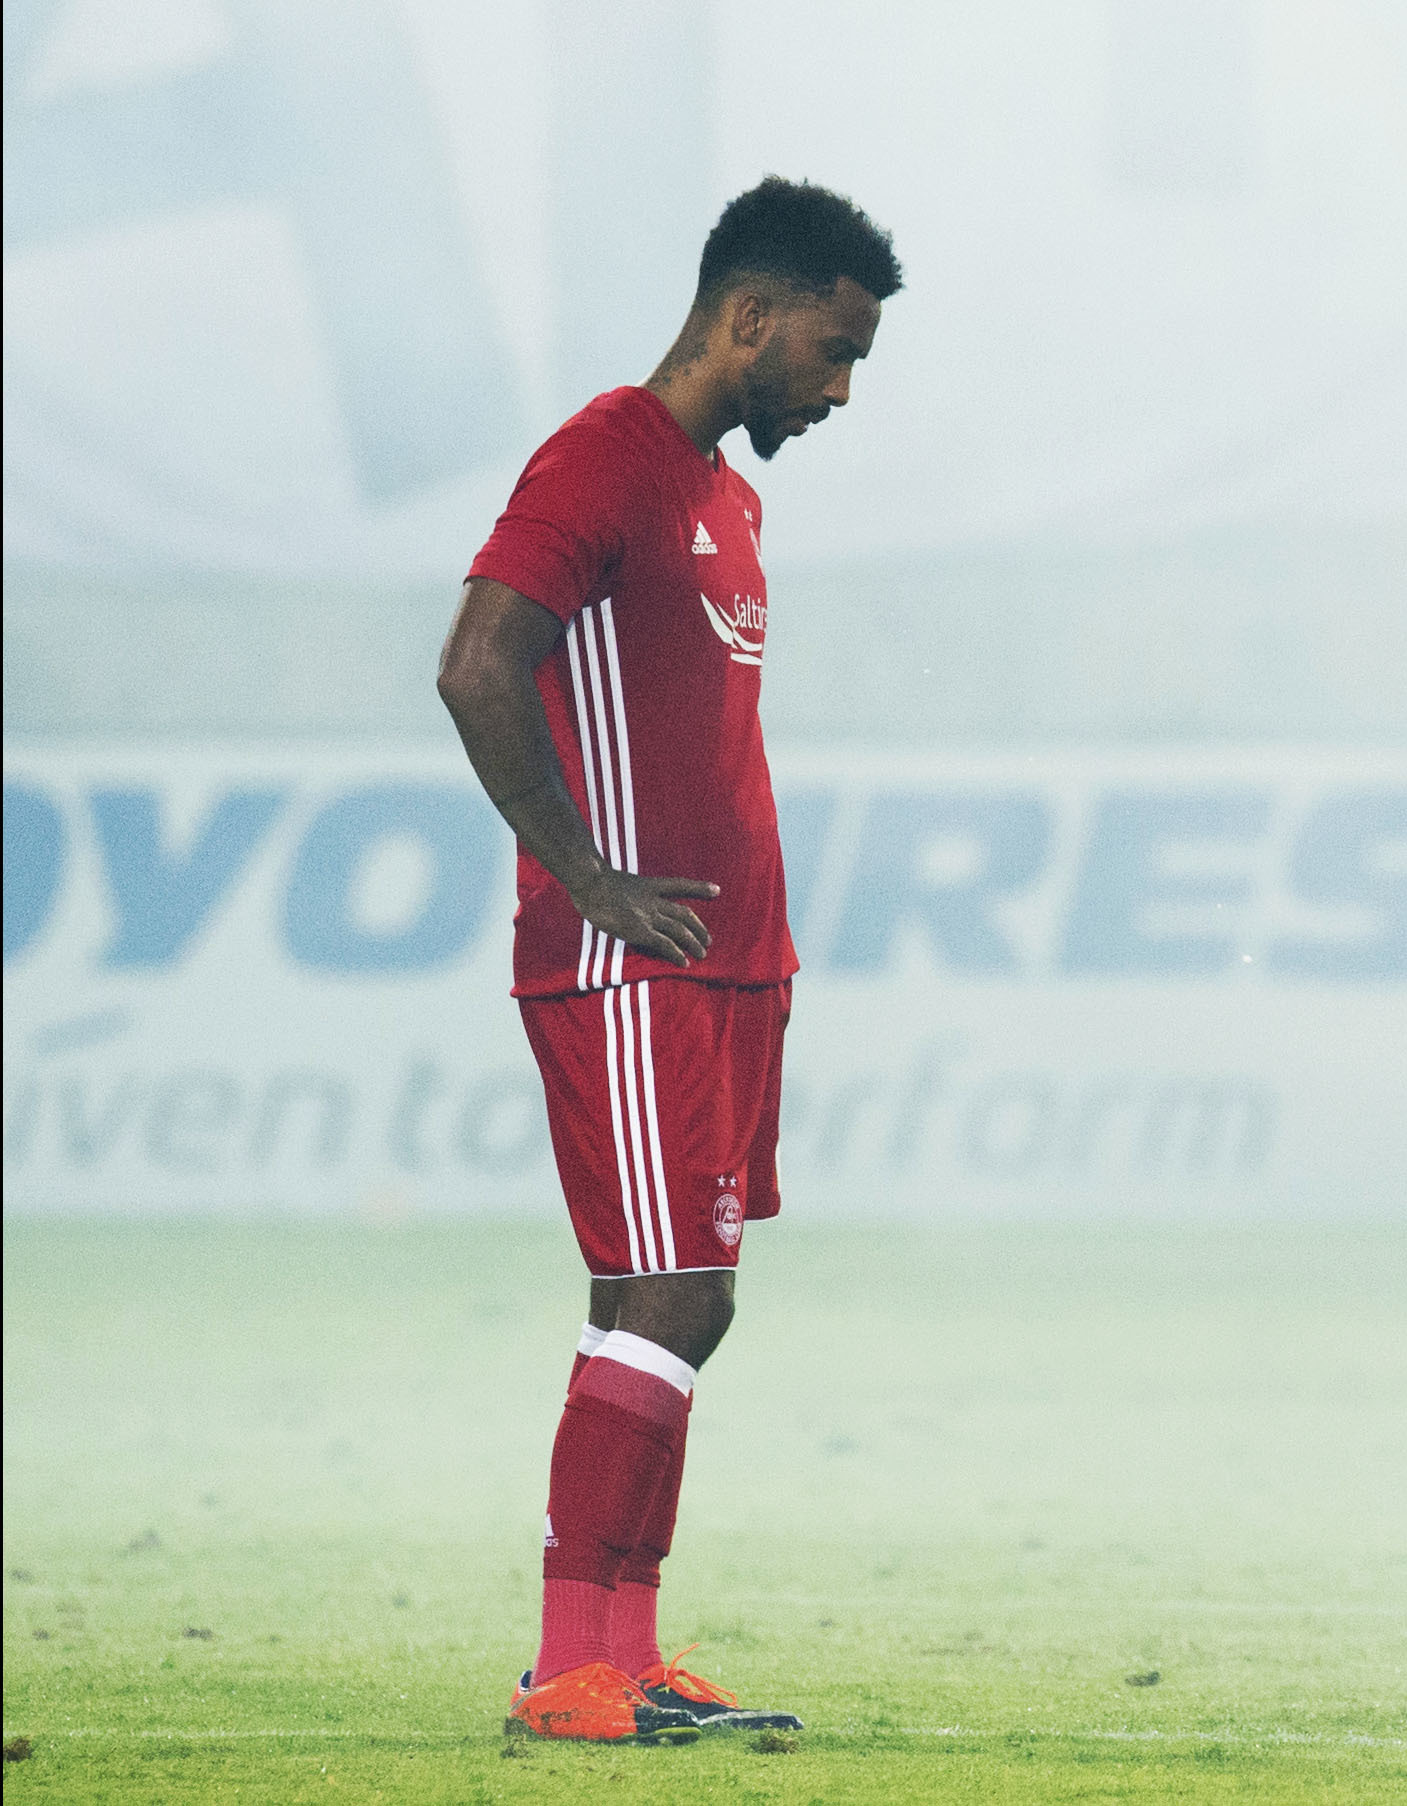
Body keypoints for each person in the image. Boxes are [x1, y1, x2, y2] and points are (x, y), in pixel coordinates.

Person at [436, 176, 900, 1744]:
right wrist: (586, 879)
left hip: (728, 974)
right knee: (674, 1297)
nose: (838, 389)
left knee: (670, 1297)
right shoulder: (603, 457)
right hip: (632, 967)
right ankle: (571, 1665)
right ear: (745, 315)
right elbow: (477, 655)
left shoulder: (726, 493)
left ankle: (622, 1655)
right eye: (831, 351)